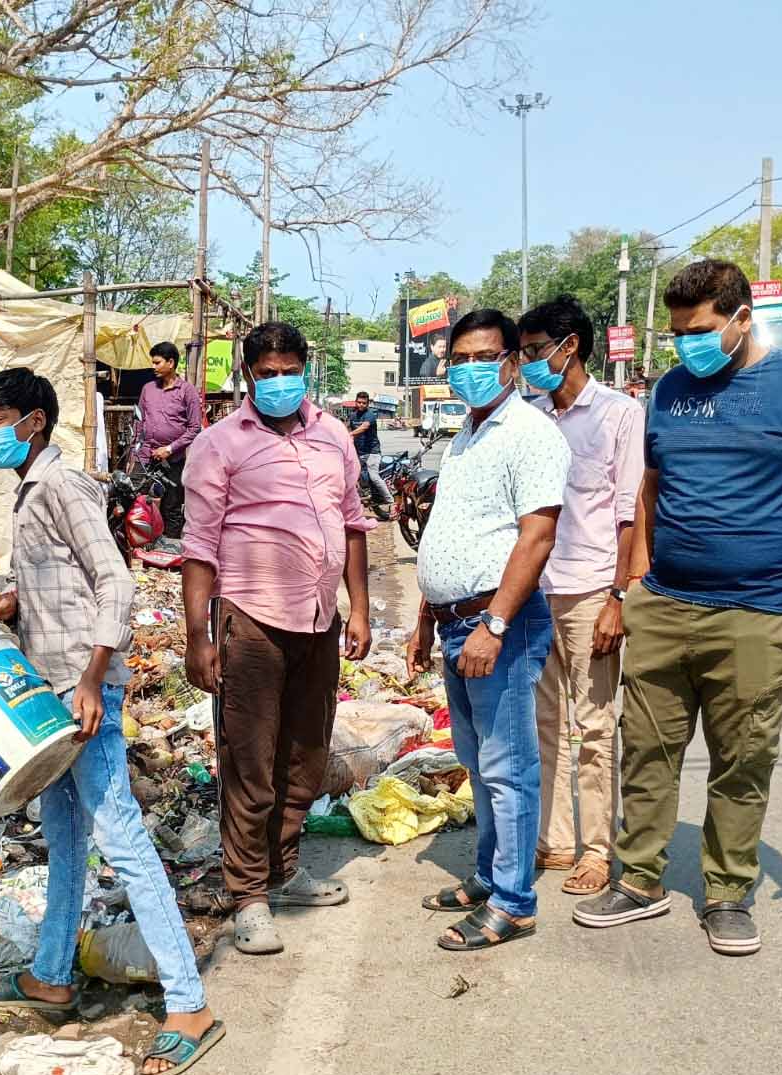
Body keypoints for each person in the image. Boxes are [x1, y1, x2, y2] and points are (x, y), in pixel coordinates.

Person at [573, 259, 782, 956]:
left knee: (742, 756)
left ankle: (729, 892)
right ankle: (640, 880)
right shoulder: (669, 391)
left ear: (741, 317)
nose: (686, 345)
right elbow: (649, 491)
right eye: (676, 332)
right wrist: (632, 583)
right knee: (646, 751)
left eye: (699, 330)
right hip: (668, 604)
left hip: (760, 610)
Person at [0, 367, 223, 1075]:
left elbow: (115, 579)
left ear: (35, 421)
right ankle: (52, 974)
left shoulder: (62, 486)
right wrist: (15, 603)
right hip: (50, 693)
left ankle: (190, 1004)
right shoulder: (30, 493)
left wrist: (88, 679)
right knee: (66, 836)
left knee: (123, 840)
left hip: (80, 694)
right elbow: (66, 583)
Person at [181, 322, 375, 955]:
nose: (279, 381)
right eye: (266, 373)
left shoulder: (333, 437)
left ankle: (284, 870)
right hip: (252, 620)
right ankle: (248, 894)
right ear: (247, 376)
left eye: (289, 368)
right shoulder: (217, 445)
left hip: (319, 619)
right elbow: (199, 548)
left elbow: (351, 526)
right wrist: (197, 637)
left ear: (306, 368)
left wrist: (360, 611)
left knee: (305, 756)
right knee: (250, 761)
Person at [405, 309, 571, 952]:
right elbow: (449, 529)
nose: (472, 369)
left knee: (508, 765)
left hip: (497, 623)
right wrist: (425, 616)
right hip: (455, 622)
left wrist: (494, 624)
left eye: (485, 357)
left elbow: (538, 535)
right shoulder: (466, 435)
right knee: (477, 761)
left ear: (509, 361)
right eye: (461, 359)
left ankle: (516, 901)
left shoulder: (529, 432)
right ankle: (488, 874)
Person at [518, 295, 644, 897]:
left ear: (570, 348)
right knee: (544, 721)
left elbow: (628, 513)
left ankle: (598, 850)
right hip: (534, 592)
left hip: (592, 590)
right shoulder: (530, 417)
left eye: (535, 351)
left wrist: (619, 596)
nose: (526, 362)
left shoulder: (618, 415)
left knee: (595, 725)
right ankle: (555, 839)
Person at [134, 341, 205, 538]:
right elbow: (140, 420)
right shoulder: (148, 389)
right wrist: (137, 448)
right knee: (133, 497)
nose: (153, 367)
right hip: (145, 456)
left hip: (173, 459)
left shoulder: (187, 391)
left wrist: (170, 448)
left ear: (171, 363)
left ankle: (171, 549)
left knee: (172, 505)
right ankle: (135, 545)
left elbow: (194, 428)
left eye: (157, 363)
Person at [346, 390, 392, 521]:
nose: (361, 405)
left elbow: (364, 427)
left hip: (372, 451)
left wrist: (350, 435)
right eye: (359, 402)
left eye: (363, 403)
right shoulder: (353, 415)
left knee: (373, 476)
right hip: (359, 452)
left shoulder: (370, 415)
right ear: (356, 402)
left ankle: (390, 501)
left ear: (367, 404)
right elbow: (347, 427)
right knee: (351, 476)